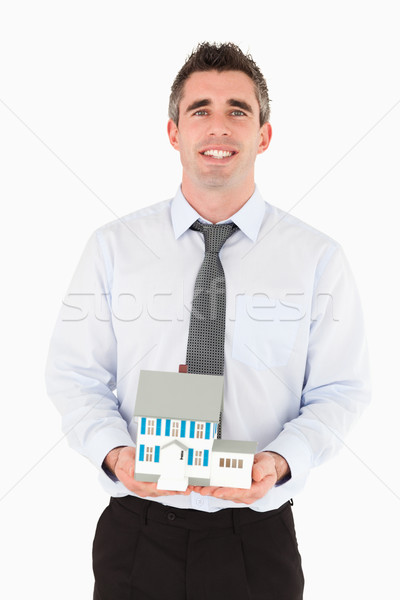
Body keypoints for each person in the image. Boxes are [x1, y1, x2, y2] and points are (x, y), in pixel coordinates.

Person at [46, 42, 370, 599]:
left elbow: (341, 389)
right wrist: (112, 452)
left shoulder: (317, 258)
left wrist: (284, 460)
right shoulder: (113, 248)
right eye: (200, 110)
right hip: (137, 534)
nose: (218, 127)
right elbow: (73, 375)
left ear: (263, 135)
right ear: (174, 132)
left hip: (257, 541)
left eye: (237, 111)